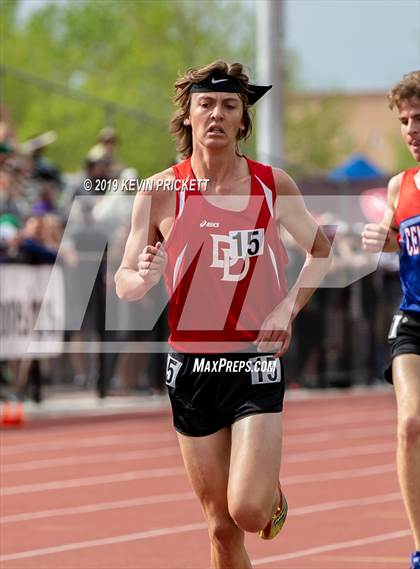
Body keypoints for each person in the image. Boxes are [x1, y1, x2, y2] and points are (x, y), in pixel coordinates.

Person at [115, 60, 331, 568]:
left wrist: (287, 307)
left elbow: (322, 251)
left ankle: (269, 495)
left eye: (229, 105)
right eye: (205, 104)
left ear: (242, 121)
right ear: (187, 118)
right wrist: (144, 276)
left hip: (252, 360)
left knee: (249, 510)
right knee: (219, 527)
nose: (216, 114)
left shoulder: (270, 184)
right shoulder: (160, 191)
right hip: (191, 367)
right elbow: (124, 282)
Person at [362, 70, 420, 569]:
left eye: (419, 118)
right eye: (404, 121)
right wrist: (377, 239)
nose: (411, 131)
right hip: (413, 319)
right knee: (410, 422)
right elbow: (387, 233)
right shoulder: (400, 184)